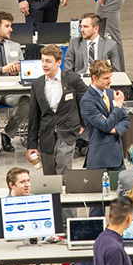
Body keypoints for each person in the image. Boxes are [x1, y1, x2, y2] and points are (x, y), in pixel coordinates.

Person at [26, 43, 87, 176]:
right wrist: (31, 145)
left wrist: (82, 123)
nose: (44, 65)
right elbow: (33, 115)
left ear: (59, 62)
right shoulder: (37, 84)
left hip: (67, 132)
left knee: (64, 172)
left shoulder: (73, 79)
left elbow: (86, 101)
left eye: (48, 61)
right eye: (42, 60)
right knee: (49, 177)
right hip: (46, 135)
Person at [0, 12, 26, 153]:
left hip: (11, 90)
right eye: (7, 26)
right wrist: (3, 70)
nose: (11, 29)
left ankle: (7, 134)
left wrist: (17, 71)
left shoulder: (15, 46)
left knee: (27, 101)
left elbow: (23, 69)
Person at [81, 58, 129, 171]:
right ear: (94, 78)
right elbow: (106, 126)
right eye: (106, 78)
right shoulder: (87, 101)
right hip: (99, 160)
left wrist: (115, 129)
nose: (110, 81)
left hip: (117, 158)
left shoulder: (111, 93)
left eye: (110, 77)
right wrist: (117, 107)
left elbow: (126, 120)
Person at [65, 12, 120, 76]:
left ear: (96, 28)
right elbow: (67, 70)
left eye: (86, 27)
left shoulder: (111, 45)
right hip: (80, 81)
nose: (82, 30)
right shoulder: (74, 44)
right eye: (81, 26)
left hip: (101, 81)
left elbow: (116, 71)